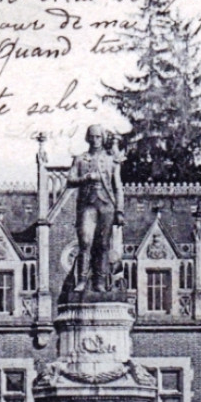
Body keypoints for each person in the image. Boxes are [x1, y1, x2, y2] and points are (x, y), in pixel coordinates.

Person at [65, 124, 124, 293]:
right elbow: (70, 180)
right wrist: (86, 178)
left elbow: (118, 187)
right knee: (85, 242)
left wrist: (120, 211)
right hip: (87, 205)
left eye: (99, 137)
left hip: (106, 205)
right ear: (87, 138)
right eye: (93, 136)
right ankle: (82, 280)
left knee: (103, 245)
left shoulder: (112, 160)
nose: (96, 140)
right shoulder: (80, 159)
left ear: (103, 138)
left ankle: (99, 281)